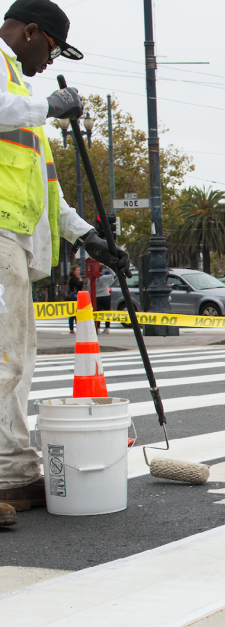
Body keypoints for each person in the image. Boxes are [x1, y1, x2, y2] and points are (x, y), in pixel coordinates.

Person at [0, 0, 130, 528]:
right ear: (30, 31)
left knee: (15, 358)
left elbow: (49, 187)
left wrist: (88, 237)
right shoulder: (14, 90)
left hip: (12, 241)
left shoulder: (20, 93)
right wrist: (47, 108)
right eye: (49, 48)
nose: (49, 62)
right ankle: (9, 469)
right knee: (6, 358)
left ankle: (10, 470)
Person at [95, 265, 113, 334]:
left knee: (98, 313)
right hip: (106, 296)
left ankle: (98, 327)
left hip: (97, 296)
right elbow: (113, 274)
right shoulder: (104, 277)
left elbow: (89, 287)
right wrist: (108, 267)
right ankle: (107, 327)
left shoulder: (94, 278)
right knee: (107, 312)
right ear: (102, 270)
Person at [66, 264, 80, 333]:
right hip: (74, 297)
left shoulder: (73, 278)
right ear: (73, 271)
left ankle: (72, 328)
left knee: (74, 313)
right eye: (77, 270)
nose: (78, 271)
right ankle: (72, 329)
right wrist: (79, 279)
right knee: (74, 313)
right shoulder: (73, 278)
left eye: (79, 270)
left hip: (75, 296)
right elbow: (79, 285)